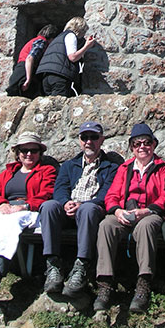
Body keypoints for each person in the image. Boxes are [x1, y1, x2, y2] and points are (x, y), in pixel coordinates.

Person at [94, 123, 165, 313]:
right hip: (127, 213)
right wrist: (117, 211)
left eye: (147, 142)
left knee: (145, 227)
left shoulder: (163, 168)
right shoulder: (124, 169)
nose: (142, 147)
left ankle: (144, 283)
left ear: (154, 145)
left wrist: (146, 211)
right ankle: (105, 284)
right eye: (137, 143)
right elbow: (111, 196)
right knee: (106, 225)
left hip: (151, 213)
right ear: (132, 147)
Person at [40, 121, 123, 297]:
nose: (88, 142)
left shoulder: (111, 167)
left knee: (88, 210)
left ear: (101, 140)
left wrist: (83, 205)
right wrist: (65, 202)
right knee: (48, 206)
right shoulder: (70, 165)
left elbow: (107, 193)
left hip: (91, 209)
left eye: (93, 137)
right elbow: (60, 188)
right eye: (84, 137)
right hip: (69, 208)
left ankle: (82, 266)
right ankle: (53, 264)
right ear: (79, 140)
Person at [0, 132, 56, 295]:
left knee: (10, 224)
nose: (29, 154)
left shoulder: (47, 171)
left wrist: (26, 206)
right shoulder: (8, 172)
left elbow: (47, 193)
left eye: (33, 150)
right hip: (6, 208)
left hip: (28, 210)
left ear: (39, 153)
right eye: (24, 150)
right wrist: (1, 204)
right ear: (18, 153)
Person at [35, 17, 96, 97]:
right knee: (58, 106)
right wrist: (87, 46)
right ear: (80, 29)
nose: (83, 34)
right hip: (59, 77)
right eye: (84, 31)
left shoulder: (58, 38)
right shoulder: (71, 35)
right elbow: (72, 57)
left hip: (46, 76)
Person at [6, 24, 59, 98]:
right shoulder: (41, 42)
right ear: (52, 37)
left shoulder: (34, 41)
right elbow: (30, 58)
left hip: (20, 69)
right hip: (24, 71)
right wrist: (28, 78)